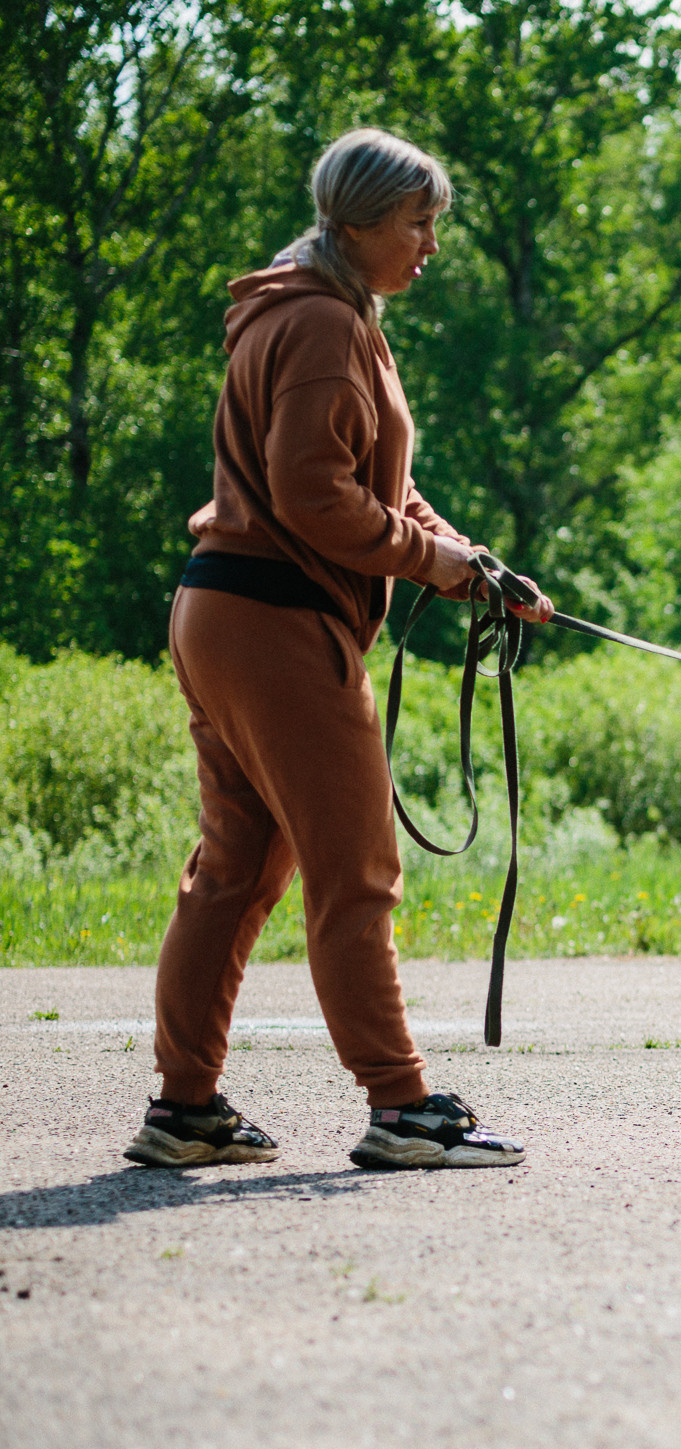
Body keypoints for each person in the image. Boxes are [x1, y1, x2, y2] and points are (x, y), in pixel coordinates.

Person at [127, 128, 554, 1174]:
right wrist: (430, 564)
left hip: (224, 611)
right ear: (358, 222)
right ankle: (404, 1109)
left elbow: (378, 487)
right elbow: (314, 496)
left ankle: (185, 1113)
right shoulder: (321, 323)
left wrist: (470, 561)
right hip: (275, 625)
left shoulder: (330, 313)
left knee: (233, 872)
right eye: (418, 222)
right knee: (356, 871)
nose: (431, 245)